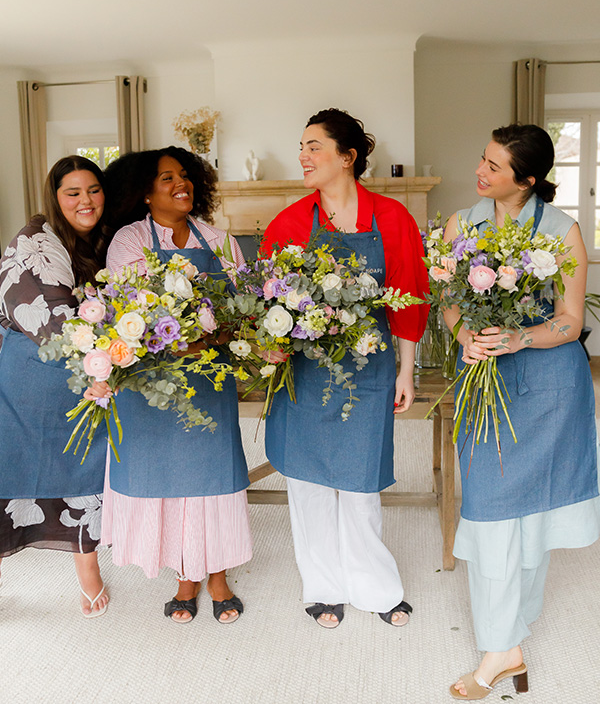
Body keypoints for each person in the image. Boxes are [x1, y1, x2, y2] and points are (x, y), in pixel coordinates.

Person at [445, 125, 600, 699]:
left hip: (550, 386)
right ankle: (502, 642)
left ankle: (504, 647)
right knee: (488, 509)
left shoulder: (563, 231)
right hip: (484, 379)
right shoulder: (461, 225)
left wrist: (517, 338)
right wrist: (466, 336)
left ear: (527, 180)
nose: (480, 171)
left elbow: (570, 320)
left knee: (532, 515)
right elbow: (450, 303)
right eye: (482, 159)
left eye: (494, 166)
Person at [261, 108, 429, 628]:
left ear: (347, 156)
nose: (303, 156)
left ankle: (375, 587)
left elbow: (409, 298)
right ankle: (323, 587)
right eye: (302, 147)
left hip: (370, 370)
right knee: (308, 483)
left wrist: (405, 371)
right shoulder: (290, 222)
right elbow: (267, 298)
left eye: (314, 147)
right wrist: (269, 347)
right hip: (305, 373)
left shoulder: (392, 218)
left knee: (360, 482)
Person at [100, 146, 251, 624]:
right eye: (166, 178)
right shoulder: (128, 241)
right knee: (172, 480)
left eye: (184, 175)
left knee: (214, 478)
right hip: (152, 385)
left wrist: (211, 336)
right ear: (145, 192)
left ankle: (218, 575)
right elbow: (128, 311)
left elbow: (243, 308)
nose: (179, 184)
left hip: (209, 378)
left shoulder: (219, 240)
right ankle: (186, 576)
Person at [0, 156, 111, 617]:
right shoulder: (34, 242)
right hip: (31, 373)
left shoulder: (99, 239)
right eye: (73, 192)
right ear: (55, 197)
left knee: (84, 470)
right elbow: (49, 320)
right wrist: (102, 365)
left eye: (94, 190)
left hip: (81, 373)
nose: (86, 201)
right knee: (11, 472)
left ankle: (88, 570)